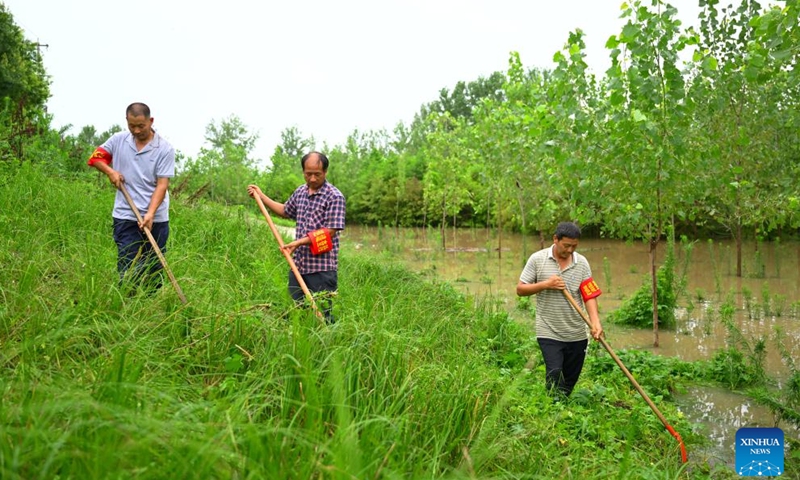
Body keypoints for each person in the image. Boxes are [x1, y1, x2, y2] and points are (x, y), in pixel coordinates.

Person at [248, 151, 345, 323]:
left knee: (323, 316)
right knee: (297, 313)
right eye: (308, 174)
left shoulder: (334, 197)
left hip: (321, 269)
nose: (313, 179)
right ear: (303, 172)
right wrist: (261, 196)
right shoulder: (301, 192)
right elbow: (286, 210)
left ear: (325, 172)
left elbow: (330, 231)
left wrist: (299, 242)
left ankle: (327, 345)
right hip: (298, 266)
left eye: (317, 174)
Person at [87, 102, 175, 292]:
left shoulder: (164, 149)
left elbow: (162, 185)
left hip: (156, 217)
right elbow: (95, 158)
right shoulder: (119, 140)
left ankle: (149, 305)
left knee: (153, 265)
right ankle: (126, 299)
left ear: (150, 121)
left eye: (141, 126)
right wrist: (110, 171)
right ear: (127, 121)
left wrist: (150, 214)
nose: (136, 130)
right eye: (131, 126)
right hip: (126, 213)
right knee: (127, 259)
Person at [516, 221, 604, 398]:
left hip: (576, 332)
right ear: (555, 239)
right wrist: (546, 284)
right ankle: (551, 408)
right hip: (548, 330)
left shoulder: (582, 263)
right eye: (566, 245)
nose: (570, 250)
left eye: (574, 246)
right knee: (554, 373)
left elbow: (589, 295)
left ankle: (561, 409)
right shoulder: (537, 259)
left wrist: (595, 322)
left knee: (570, 379)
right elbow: (520, 289)